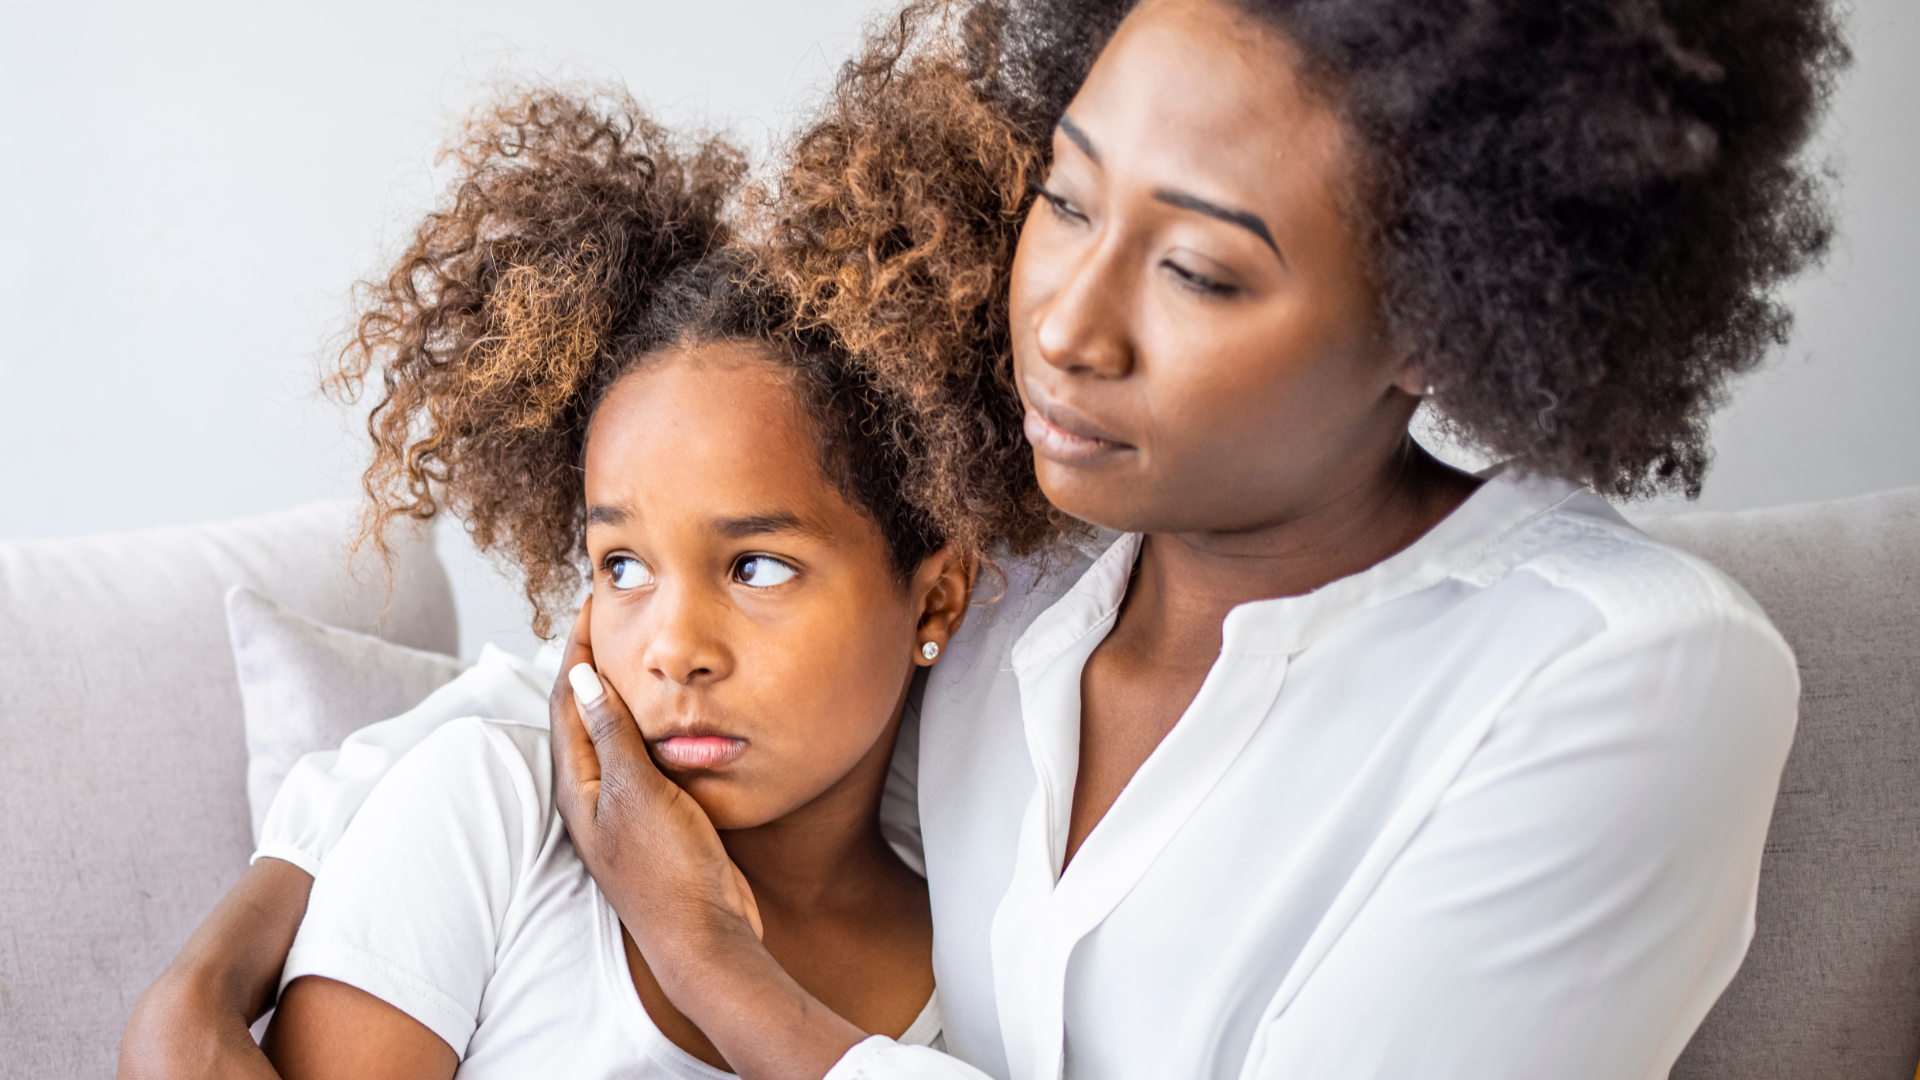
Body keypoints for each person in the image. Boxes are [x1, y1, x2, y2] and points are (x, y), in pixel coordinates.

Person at [123, 0, 1846, 1075]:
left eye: (1199, 269)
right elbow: (592, 699)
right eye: (1070, 200)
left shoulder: (1619, 680)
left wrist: (727, 980)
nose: (1066, 327)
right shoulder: (1018, 557)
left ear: (1442, 315)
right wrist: (224, 957)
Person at [133, 88, 1050, 1079]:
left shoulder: (993, 970)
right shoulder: (484, 815)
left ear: (937, 600)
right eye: (623, 566)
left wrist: (705, 947)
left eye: (757, 566)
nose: (671, 648)